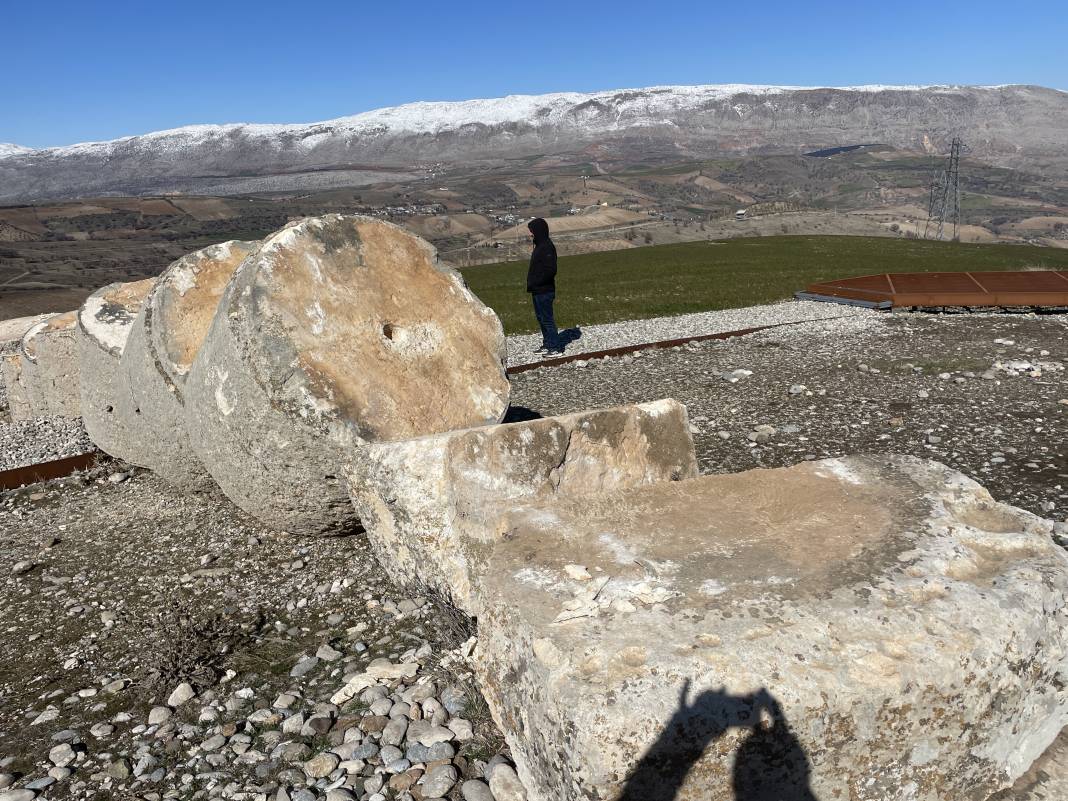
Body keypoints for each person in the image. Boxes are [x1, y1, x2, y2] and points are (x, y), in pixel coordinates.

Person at [526, 217, 562, 354]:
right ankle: (547, 344)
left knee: (547, 319)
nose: (531, 234)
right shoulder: (540, 245)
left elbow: (551, 270)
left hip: (545, 290)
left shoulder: (547, 246)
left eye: (532, 231)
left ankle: (555, 347)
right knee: (541, 319)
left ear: (538, 231)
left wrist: (536, 281)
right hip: (537, 290)